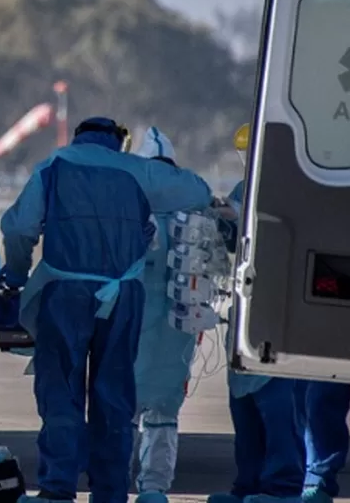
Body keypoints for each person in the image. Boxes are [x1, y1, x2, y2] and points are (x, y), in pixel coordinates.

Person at [0, 117, 211, 503]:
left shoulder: (54, 165)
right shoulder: (137, 169)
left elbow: (18, 228)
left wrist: (14, 273)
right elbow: (197, 192)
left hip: (64, 293)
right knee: (114, 396)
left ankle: (57, 489)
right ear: (118, 142)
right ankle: (109, 493)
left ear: (79, 137)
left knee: (60, 392)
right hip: (122, 297)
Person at [208, 123, 304, 503]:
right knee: (243, 403)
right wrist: (221, 219)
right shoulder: (243, 190)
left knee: (277, 405)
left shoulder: (294, 190)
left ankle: (281, 487)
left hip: (278, 310)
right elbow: (234, 243)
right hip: (246, 306)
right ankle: (247, 485)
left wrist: (237, 220)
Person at [129, 127, 209, 503]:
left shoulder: (130, 206)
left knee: (123, 406)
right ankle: (154, 487)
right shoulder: (193, 205)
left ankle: (112, 481)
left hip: (131, 322)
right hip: (177, 326)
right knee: (164, 411)